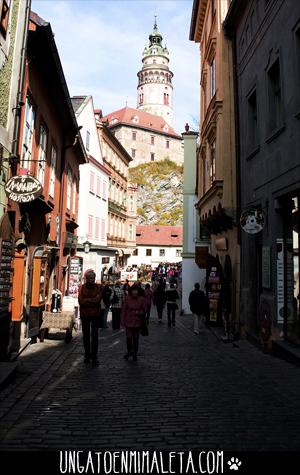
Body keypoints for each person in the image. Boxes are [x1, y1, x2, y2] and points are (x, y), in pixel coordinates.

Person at [78, 270, 102, 366]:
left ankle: (94, 356)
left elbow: (98, 300)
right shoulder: (82, 288)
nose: (91, 280)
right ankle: (87, 355)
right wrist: (92, 301)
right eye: (90, 278)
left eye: (93, 278)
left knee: (95, 335)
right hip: (85, 315)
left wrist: (87, 300)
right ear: (86, 279)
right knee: (86, 336)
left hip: (95, 315)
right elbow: (80, 301)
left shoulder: (98, 287)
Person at [121, 284, 147, 361]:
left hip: (137, 322)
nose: (135, 292)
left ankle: (135, 353)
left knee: (136, 339)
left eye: (136, 290)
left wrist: (138, 312)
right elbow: (124, 310)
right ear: (131, 291)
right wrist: (122, 320)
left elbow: (145, 310)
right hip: (128, 321)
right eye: (133, 290)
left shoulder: (141, 299)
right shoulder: (127, 298)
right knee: (129, 338)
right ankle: (129, 352)